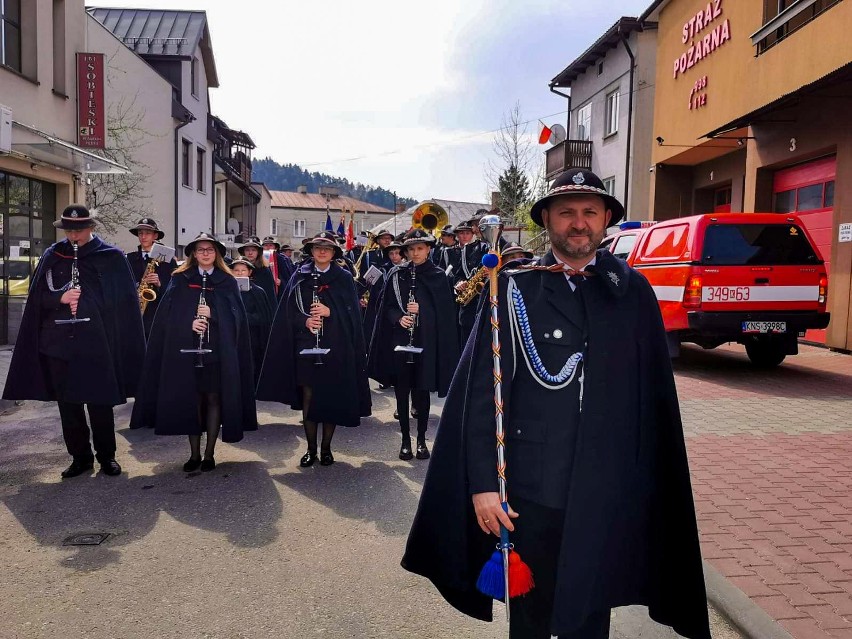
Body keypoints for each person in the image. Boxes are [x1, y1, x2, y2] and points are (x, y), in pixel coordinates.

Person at [401, 169, 710, 639]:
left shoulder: (633, 294)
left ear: (607, 218)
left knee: (590, 617)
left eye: (590, 211)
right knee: (530, 621)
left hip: (606, 492)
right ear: (547, 220)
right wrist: (484, 485)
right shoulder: (513, 289)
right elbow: (484, 397)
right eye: (566, 212)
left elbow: (654, 407)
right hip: (531, 493)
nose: (579, 223)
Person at [3, 205, 145, 478]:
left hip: (96, 344)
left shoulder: (111, 257)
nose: (73, 235)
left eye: (78, 229)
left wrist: (90, 302)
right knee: (68, 405)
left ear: (91, 228)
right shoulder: (53, 256)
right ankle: (80, 458)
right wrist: (61, 298)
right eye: (69, 230)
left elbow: (123, 304)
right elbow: (37, 300)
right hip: (59, 345)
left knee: (99, 402)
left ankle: (107, 457)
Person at [131, 233, 257, 472]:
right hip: (187, 350)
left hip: (217, 351)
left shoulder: (227, 280)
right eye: (200, 250)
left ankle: (209, 453)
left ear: (217, 254)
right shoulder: (180, 279)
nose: (206, 253)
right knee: (193, 400)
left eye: (210, 249)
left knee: (213, 398)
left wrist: (214, 314)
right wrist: (188, 322)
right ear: (193, 254)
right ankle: (194, 453)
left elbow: (237, 317)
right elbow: (168, 315)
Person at [257, 231, 371, 467]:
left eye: (327, 248)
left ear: (333, 253)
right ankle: (310, 449)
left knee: (330, 395)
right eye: (317, 247)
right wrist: (304, 321)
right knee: (308, 395)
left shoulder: (343, 277)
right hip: (306, 345)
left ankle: (327, 448)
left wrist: (332, 312)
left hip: (336, 344)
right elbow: (287, 312)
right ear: (311, 251)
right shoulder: (300, 275)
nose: (321, 251)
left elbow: (353, 315)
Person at [368, 229, 460, 461]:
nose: (415, 253)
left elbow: (446, 314)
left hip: (425, 341)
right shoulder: (396, 274)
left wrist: (423, 311)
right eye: (411, 249)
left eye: (420, 248)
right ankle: (405, 441)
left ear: (428, 249)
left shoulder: (438, 276)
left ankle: (421, 440)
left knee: (422, 390)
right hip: (400, 340)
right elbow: (385, 307)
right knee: (402, 388)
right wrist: (399, 317)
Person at [125, 218, 177, 338]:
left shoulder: (168, 261)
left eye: (148, 233)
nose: (143, 237)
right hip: (136, 316)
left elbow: (174, 292)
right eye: (140, 233)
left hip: (158, 318)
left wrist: (159, 284)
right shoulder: (130, 259)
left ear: (155, 236)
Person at [231, 258, 274, 385]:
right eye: (236, 270)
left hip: (252, 335)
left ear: (249, 272)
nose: (239, 273)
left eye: (243, 270)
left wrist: (242, 317)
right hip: (232, 334)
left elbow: (263, 317)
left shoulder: (257, 291)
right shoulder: (225, 291)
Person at [453, 220, 487, 348]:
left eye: (468, 233)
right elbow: (458, 275)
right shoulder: (466, 250)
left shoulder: (497, 247)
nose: (464, 236)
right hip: (469, 307)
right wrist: (459, 283)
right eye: (475, 224)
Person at [238, 236, 277, 308]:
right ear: (243, 252)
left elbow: (271, 296)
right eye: (247, 250)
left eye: (253, 250)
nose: (250, 253)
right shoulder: (237, 269)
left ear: (258, 252)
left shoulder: (264, 271)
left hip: (260, 310)